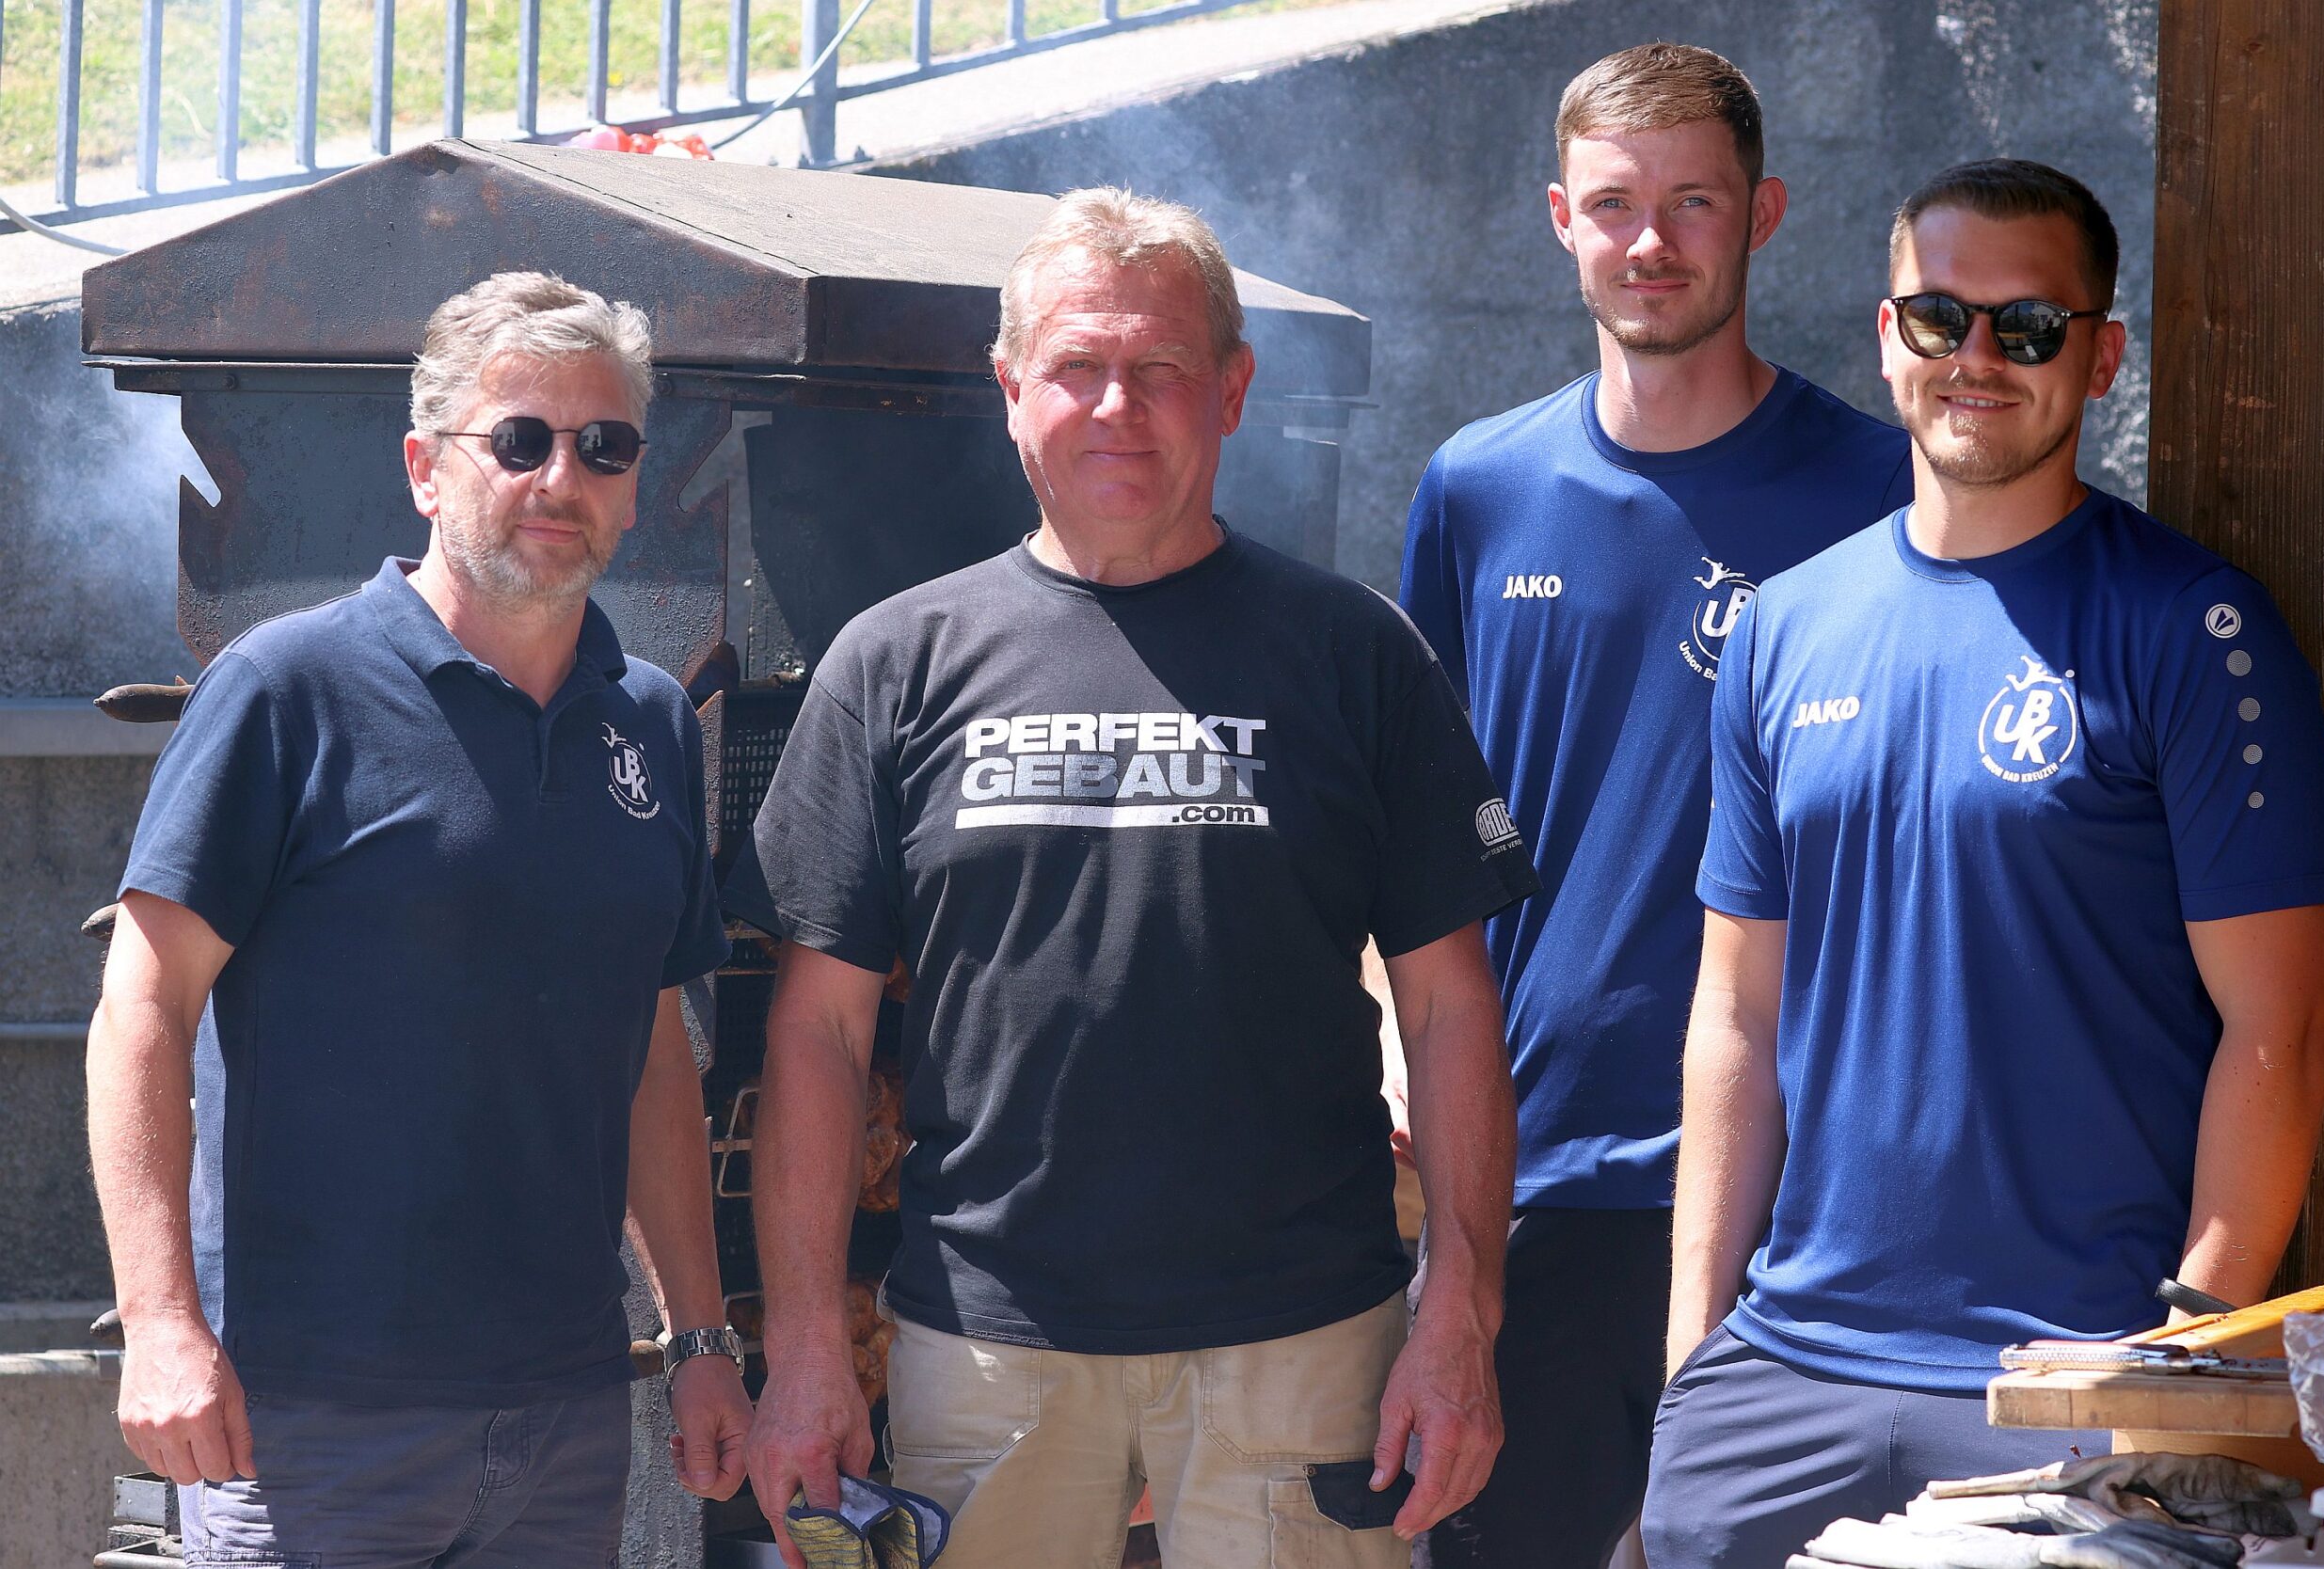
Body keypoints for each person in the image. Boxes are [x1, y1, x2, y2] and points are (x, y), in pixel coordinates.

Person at [732, 187, 1537, 1569]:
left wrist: (1461, 1315)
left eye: (1161, 367)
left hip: (1305, 1344)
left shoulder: (1357, 655)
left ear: (1233, 390)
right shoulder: (895, 662)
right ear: (1010, 390)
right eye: (1078, 367)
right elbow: (818, 1035)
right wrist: (807, 1348)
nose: (1118, 406)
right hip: (986, 1346)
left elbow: (1453, 1011)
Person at [1645, 159, 2324, 1567]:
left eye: (2027, 327)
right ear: (1886, 334)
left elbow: (2288, 1025)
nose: (1975, 357)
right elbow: (1736, 1010)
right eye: (1939, 317)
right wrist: (1694, 1356)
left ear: (2102, 356)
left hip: (2068, 1386)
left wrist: (2177, 1360)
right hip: (1783, 1370)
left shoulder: (2194, 629)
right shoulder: (1781, 631)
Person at [88, 272, 752, 1564]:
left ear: (633, 486)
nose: (560, 478)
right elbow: (141, 1009)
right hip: (310, 1425)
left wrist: (701, 1337)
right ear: (424, 470)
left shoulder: (652, 721)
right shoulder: (286, 690)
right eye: (520, 439)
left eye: (603, 446)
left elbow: (651, 1050)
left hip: (566, 1420)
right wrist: (160, 1321)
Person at [1396, 42, 1910, 1566]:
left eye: (1695, 201)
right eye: (1616, 203)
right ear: (1561, 217)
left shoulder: (1887, 494)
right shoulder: (1477, 488)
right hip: (1531, 1174)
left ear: (1764, 214)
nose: (1652, 241)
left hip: (1805, 1188)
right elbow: (1421, 833)